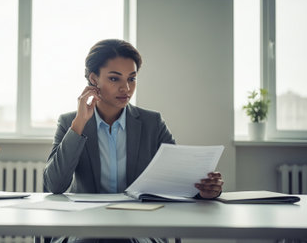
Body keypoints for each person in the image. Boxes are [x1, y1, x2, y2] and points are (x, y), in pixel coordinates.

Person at [43, 39, 224, 243]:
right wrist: (80, 124)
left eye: (132, 79)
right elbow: (54, 185)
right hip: (85, 227)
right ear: (93, 79)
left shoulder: (152, 123)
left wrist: (206, 191)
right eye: (114, 79)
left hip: (140, 227)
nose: (126, 88)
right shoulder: (70, 122)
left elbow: (180, 180)